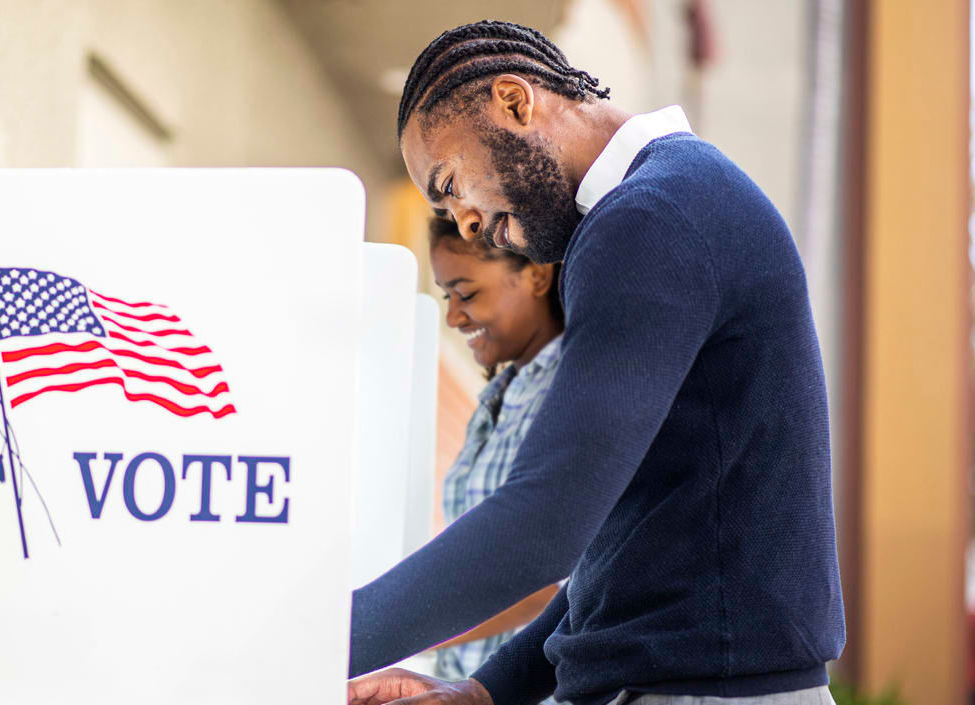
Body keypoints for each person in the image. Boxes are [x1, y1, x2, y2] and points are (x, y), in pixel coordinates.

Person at [347, 20, 843, 705]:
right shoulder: (669, 202)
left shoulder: (651, 218)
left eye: (452, 183)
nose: (464, 222)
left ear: (515, 102)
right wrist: (486, 690)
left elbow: (544, 522)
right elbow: (624, 545)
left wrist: (315, 637)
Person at [425, 216, 562, 702]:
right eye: (447, 297)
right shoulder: (501, 392)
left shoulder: (569, 393)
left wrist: (400, 631)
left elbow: (552, 584)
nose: (453, 318)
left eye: (467, 293)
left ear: (537, 275)